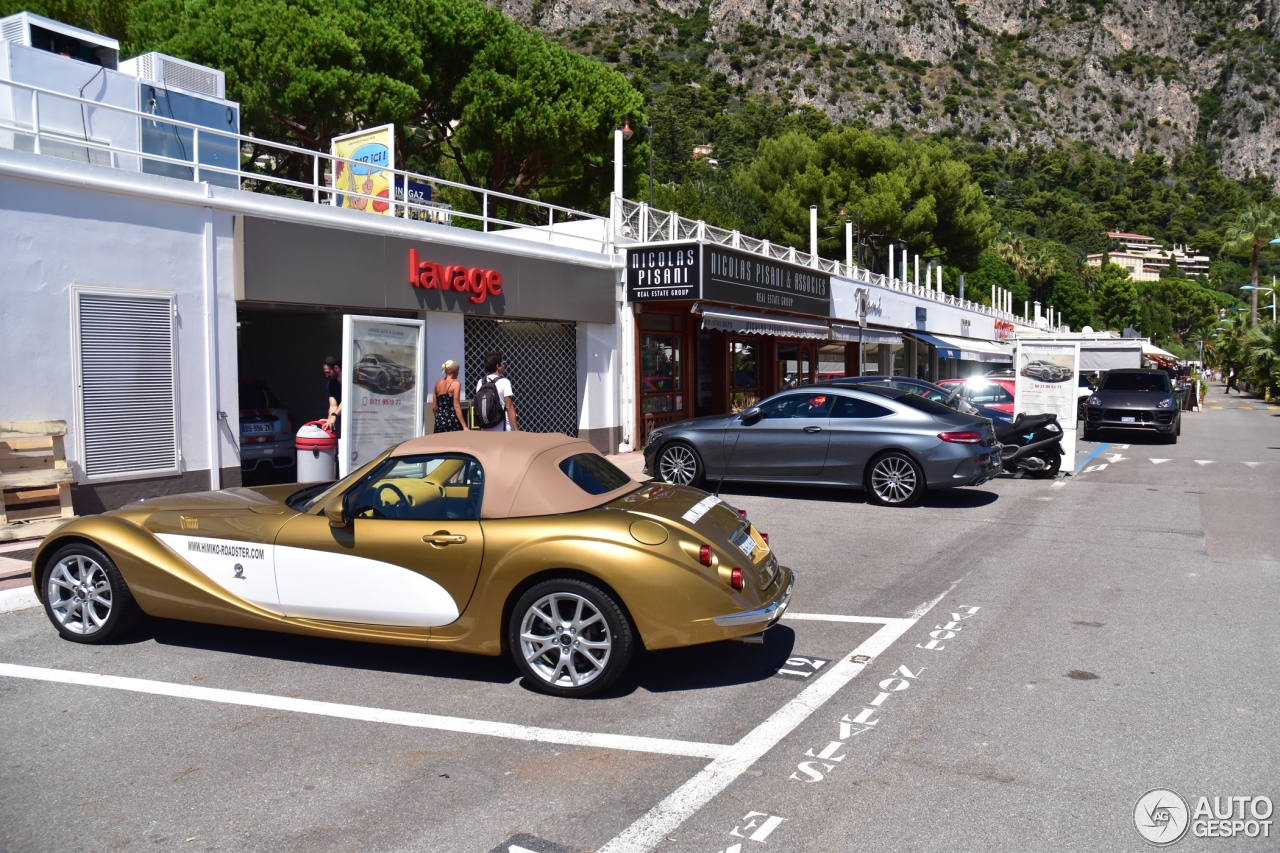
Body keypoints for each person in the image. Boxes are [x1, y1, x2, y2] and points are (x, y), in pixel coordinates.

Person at [476, 351, 519, 432]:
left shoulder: (481, 382)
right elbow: (509, 407)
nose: (504, 365)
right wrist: (516, 429)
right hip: (502, 427)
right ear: (498, 366)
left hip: (486, 427)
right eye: (503, 363)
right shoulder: (504, 382)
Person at [432, 359, 468, 433]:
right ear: (453, 370)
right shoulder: (456, 384)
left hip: (439, 420)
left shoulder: (437, 384)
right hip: (452, 419)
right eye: (458, 371)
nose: (458, 373)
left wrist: (439, 418)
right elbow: (456, 406)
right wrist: (464, 426)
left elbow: (434, 407)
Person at [322, 356, 342, 434]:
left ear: (336, 368)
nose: (327, 376)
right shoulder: (330, 384)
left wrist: (334, 416)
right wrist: (329, 420)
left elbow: (347, 401)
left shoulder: (350, 381)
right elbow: (333, 405)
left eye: (328, 372)